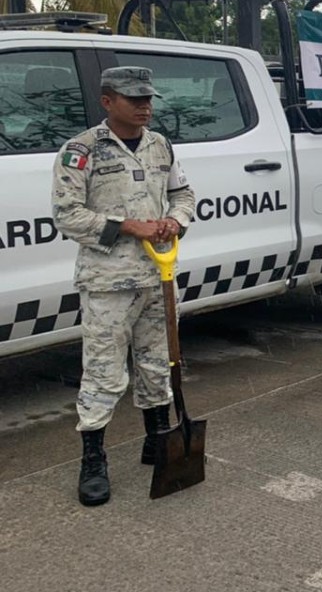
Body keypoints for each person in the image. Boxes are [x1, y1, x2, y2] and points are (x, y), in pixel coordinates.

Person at [50, 66, 196, 506]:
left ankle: (157, 439)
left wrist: (176, 220)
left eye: (148, 98)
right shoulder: (82, 151)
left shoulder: (160, 146)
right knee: (104, 373)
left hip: (157, 277)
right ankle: (93, 459)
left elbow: (184, 195)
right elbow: (67, 214)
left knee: (157, 365)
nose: (145, 106)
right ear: (108, 102)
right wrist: (127, 226)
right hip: (108, 281)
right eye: (134, 100)